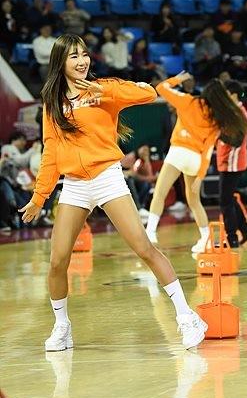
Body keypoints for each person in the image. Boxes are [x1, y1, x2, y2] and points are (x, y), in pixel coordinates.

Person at [18, 34, 206, 351]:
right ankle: (62, 327)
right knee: (57, 260)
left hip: (107, 177)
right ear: (60, 62)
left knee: (144, 248)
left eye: (84, 54)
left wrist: (103, 91)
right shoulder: (53, 102)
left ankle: (187, 317)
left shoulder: (104, 88)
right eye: (74, 56)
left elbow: (147, 93)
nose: (82, 61)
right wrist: (39, 198)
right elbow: (51, 152)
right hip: (75, 185)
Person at [145, 73, 247, 252]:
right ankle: (205, 238)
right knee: (194, 201)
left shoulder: (189, 101)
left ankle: (151, 232)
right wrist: (200, 176)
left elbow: (161, 88)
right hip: (195, 160)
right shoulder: (215, 119)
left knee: (159, 194)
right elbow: (208, 150)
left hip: (178, 152)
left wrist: (178, 79)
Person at [216, 80, 247, 248]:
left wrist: (217, 134)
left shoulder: (238, 113)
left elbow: (237, 140)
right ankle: (245, 228)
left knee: (225, 201)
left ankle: (231, 237)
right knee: (228, 198)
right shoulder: (234, 111)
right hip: (229, 161)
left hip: (233, 163)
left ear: (233, 95)